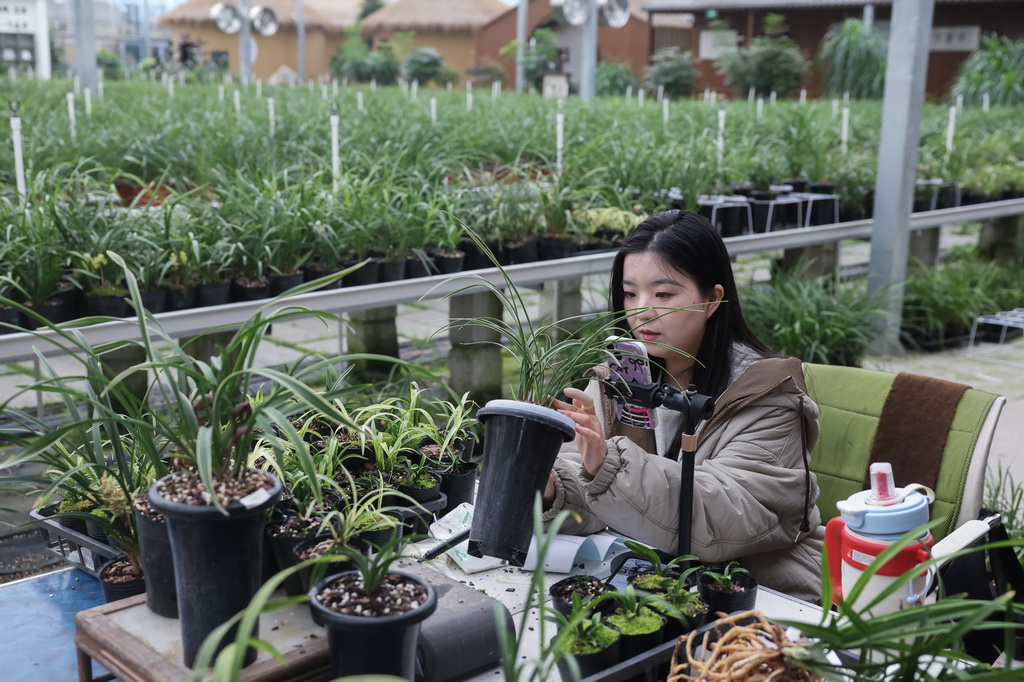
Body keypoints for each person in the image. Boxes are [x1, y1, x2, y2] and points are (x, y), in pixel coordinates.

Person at [543, 209, 823, 601]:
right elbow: (590, 489)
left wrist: (605, 463)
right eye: (629, 293)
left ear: (712, 299)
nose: (641, 311)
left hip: (757, 593)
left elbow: (720, 516)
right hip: (650, 578)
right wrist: (549, 485)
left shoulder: (767, 394)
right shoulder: (619, 375)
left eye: (663, 294)